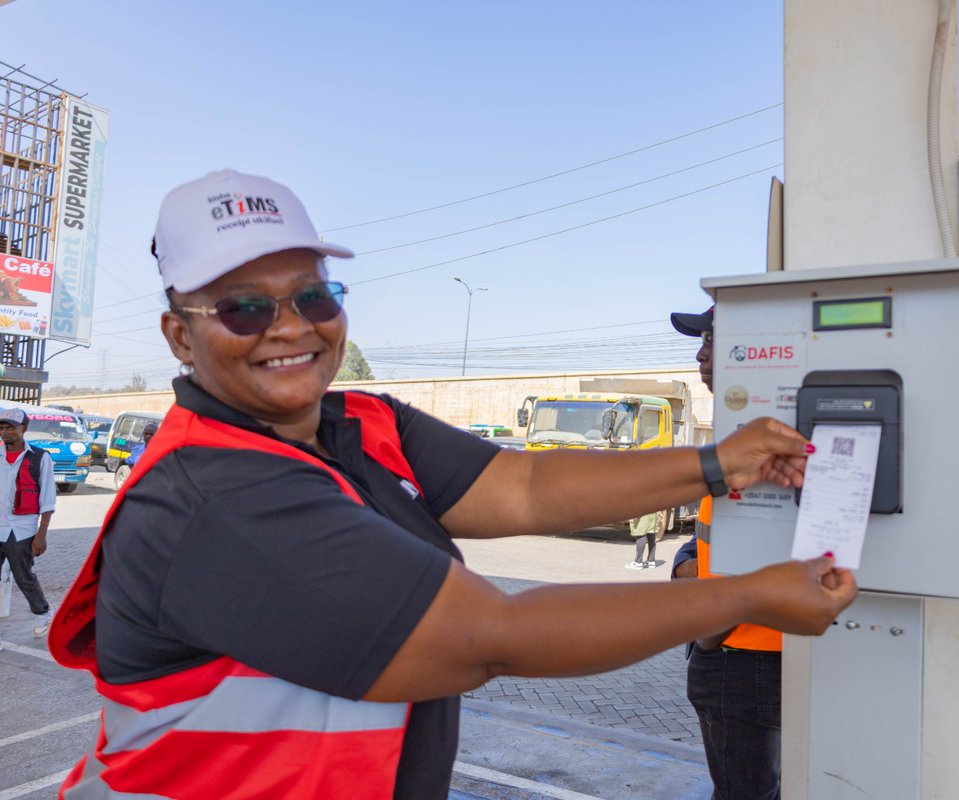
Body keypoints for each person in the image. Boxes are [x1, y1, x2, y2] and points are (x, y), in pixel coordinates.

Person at [48, 169, 857, 800]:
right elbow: (492, 635)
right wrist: (749, 597)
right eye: (243, 308)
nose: (291, 326)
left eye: (313, 295)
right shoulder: (214, 495)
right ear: (179, 335)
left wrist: (720, 462)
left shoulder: (363, 422)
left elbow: (528, 487)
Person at [670, 304, 789, 800]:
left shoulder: (760, 440)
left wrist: (710, 639)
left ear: (749, 353)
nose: (699, 353)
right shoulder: (747, 430)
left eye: (712, 341)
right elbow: (718, 534)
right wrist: (684, 560)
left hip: (744, 655)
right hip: (752, 649)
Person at [0, 407, 56, 647]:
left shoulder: (39, 457)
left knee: (24, 576)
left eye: (11, 427)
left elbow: (48, 498)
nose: (6, 432)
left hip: (21, 529)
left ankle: (43, 613)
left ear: (24, 428)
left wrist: (41, 534)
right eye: (2, 427)